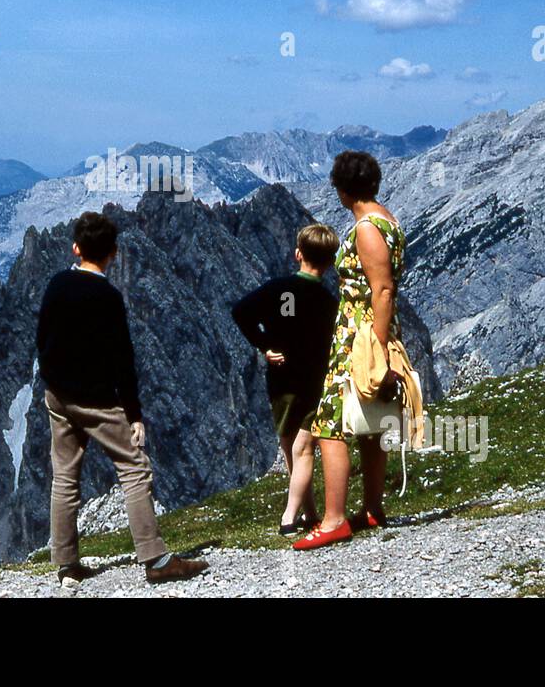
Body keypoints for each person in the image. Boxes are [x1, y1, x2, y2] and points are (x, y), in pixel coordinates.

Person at [36, 211, 209, 585]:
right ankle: (156, 558)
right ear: (113, 253)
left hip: (58, 395)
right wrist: (134, 413)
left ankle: (66, 563)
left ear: (76, 248)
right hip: (96, 399)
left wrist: (51, 380)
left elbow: (42, 335)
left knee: (64, 476)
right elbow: (122, 359)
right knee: (133, 467)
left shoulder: (57, 283)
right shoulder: (108, 297)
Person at [294, 151, 422, 551]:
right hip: (375, 330)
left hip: (360, 335)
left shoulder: (366, 229)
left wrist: (376, 347)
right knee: (371, 419)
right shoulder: (390, 222)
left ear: (344, 189)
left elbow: (382, 289)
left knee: (330, 424)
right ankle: (371, 507)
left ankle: (333, 519)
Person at [231, 223, 339, 534]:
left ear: (297, 254)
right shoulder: (329, 302)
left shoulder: (281, 290)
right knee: (303, 449)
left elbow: (241, 312)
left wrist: (264, 345)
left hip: (281, 381)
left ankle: (299, 514)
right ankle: (300, 515)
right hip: (315, 382)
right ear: (330, 262)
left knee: (291, 446)